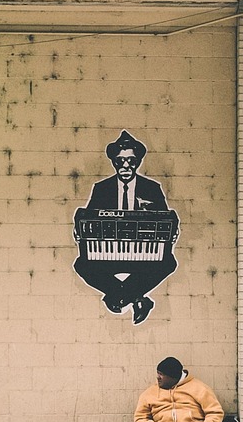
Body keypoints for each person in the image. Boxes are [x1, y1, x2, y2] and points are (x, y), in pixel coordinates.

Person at [72, 130, 178, 325]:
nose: (126, 166)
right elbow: (89, 219)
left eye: (131, 160)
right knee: (82, 264)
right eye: (121, 161)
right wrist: (80, 232)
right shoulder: (101, 188)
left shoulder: (152, 188)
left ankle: (117, 298)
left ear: (138, 162)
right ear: (114, 162)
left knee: (168, 263)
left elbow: (165, 219)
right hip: (109, 253)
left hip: (143, 255)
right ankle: (138, 299)